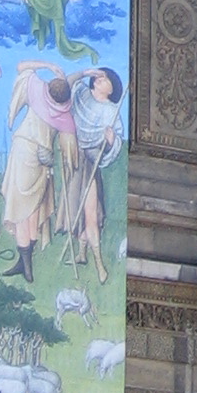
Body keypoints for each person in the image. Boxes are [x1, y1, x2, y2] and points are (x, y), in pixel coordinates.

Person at [0, 63, 77, 283]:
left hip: (23, 152)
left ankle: (25, 264)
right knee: (33, 209)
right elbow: (69, 152)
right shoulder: (65, 118)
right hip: (43, 160)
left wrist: (49, 65)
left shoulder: (36, 90)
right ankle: (25, 262)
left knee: (21, 209)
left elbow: (21, 66)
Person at [64, 67, 124, 287]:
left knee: (91, 212)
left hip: (91, 163)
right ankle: (82, 254)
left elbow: (115, 144)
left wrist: (110, 141)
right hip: (74, 159)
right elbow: (65, 85)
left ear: (112, 89)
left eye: (105, 78)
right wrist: (84, 72)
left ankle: (99, 265)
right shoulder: (81, 93)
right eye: (99, 76)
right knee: (79, 209)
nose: (100, 79)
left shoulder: (112, 111)